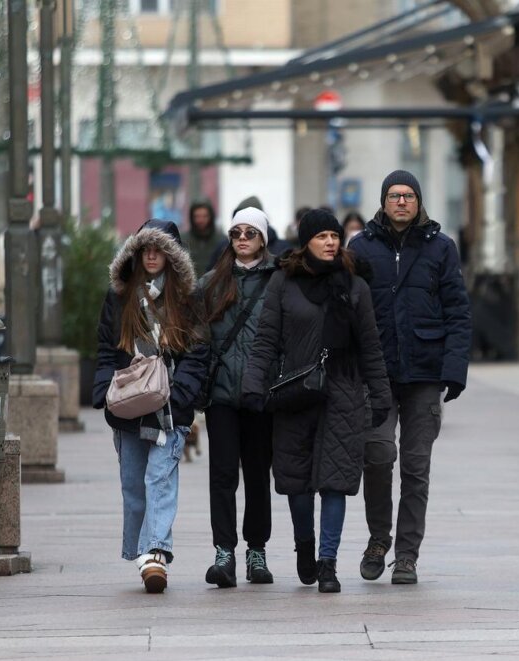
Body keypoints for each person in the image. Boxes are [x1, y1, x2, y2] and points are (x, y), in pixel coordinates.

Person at [241, 209, 392, 594]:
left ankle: (328, 563)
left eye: (334, 236)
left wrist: (380, 395)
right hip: (296, 392)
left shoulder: (355, 286)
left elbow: (371, 347)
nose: (330, 242)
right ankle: (305, 544)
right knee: (296, 482)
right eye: (322, 236)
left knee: (336, 482)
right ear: (305, 241)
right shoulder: (283, 282)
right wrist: (253, 385)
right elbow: (265, 339)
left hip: (343, 393)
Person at [347, 170, 472, 585]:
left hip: (424, 373)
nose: (401, 202)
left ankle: (406, 555)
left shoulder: (441, 248)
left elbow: (458, 312)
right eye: (394, 195)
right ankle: (378, 539)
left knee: (416, 468)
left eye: (409, 195)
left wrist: (454, 371)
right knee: (377, 456)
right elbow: (348, 311)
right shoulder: (361, 247)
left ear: (419, 202)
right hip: (376, 375)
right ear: (383, 202)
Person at [92, 218, 210, 594]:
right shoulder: (120, 296)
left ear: (173, 256)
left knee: (159, 478)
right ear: (137, 253)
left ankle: (155, 553)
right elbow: (107, 348)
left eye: (160, 250)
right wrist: (103, 390)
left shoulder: (187, 300)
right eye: (146, 249)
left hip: (169, 407)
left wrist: (181, 394)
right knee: (133, 485)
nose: (153, 256)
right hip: (128, 405)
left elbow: (198, 352)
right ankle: (142, 551)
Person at [196, 206, 278, 588]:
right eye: (236, 233)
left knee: (258, 476)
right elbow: (197, 337)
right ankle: (224, 552)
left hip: (262, 393)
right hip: (222, 394)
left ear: (263, 238)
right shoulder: (211, 283)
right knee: (223, 474)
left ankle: (256, 551)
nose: (242, 239)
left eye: (250, 233)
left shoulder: (279, 280)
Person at [185, 199, 225, 274]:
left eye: (205, 216)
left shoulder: (222, 241)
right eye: (197, 216)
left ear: (211, 217)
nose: (201, 220)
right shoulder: (183, 240)